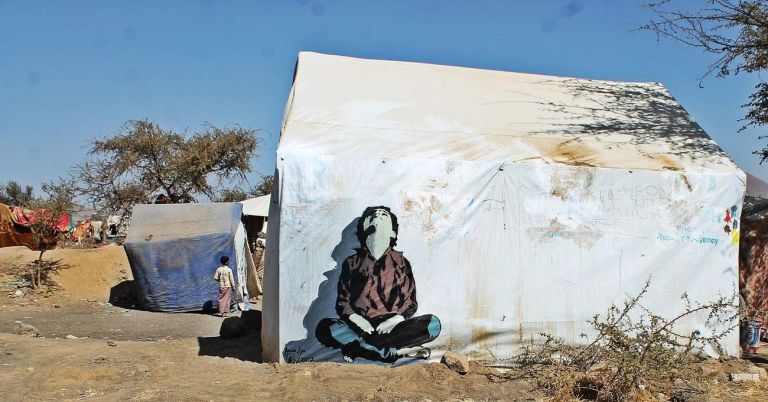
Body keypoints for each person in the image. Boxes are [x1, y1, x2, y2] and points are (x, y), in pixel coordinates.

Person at [315, 206, 441, 363]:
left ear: (393, 233)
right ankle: (394, 354)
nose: (379, 214)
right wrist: (358, 320)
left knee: (432, 324)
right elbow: (343, 303)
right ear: (365, 228)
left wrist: (394, 320)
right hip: (360, 328)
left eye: (384, 214)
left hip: (392, 329)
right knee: (324, 327)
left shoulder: (401, 262)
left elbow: (410, 302)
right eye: (374, 215)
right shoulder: (352, 263)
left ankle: (359, 349)